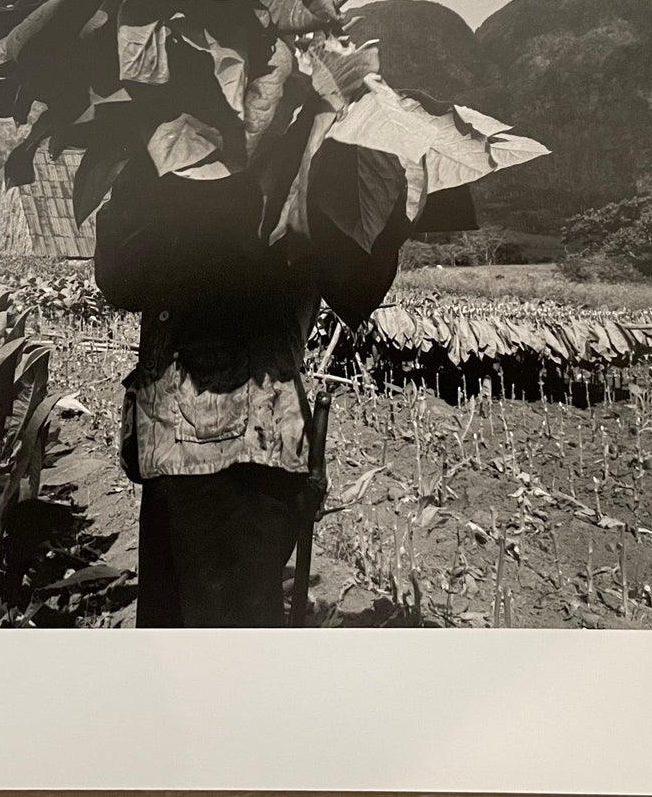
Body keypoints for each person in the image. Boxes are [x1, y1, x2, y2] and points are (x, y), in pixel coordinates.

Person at [95, 151, 477, 627]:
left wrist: (384, 199)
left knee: (227, 649)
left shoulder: (301, 168)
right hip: (169, 448)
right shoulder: (174, 164)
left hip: (242, 455)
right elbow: (119, 278)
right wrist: (153, 180)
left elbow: (355, 290)